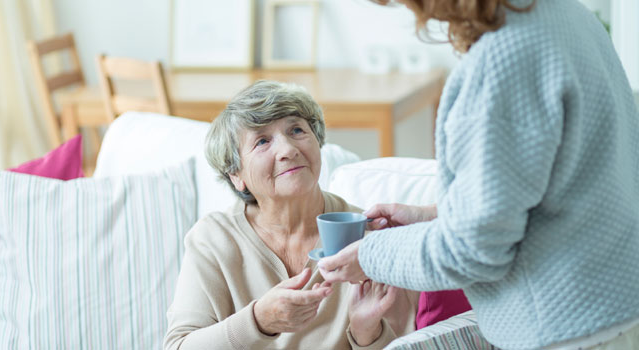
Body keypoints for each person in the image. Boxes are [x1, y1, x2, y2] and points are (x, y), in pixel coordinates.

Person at [318, 0, 639, 349]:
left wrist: (369, 256)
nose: (418, 15)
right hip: (616, 308)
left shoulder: (502, 62)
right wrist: (434, 217)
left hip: (564, 329)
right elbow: (552, 185)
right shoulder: (564, 13)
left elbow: (472, 250)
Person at [163, 80, 418, 350]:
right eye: (262, 141)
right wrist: (259, 321)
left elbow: (412, 343)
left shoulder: (368, 236)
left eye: (296, 130)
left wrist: (366, 332)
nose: (288, 150)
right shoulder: (213, 239)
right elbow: (179, 346)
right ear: (236, 175)